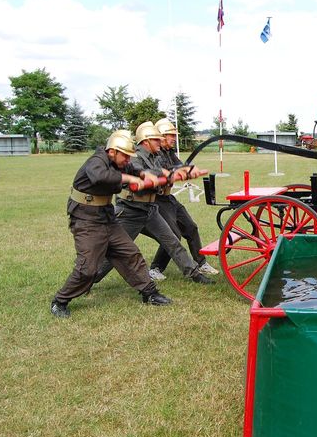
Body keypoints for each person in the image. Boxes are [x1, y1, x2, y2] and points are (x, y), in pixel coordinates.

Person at [51, 130, 172, 318]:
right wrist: (129, 179)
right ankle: (60, 301)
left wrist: (151, 174)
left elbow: (135, 170)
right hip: (86, 219)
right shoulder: (96, 161)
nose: (127, 160)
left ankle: (150, 293)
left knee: (130, 254)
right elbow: (100, 177)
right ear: (112, 151)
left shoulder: (120, 162)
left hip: (107, 217)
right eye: (124, 155)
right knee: (87, 268)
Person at [92, 122, 214, 286]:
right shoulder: (134, 156)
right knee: (116, 253)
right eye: (156, 139)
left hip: (150, 210)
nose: (160, 142)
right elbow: (143, 174)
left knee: (173, 242)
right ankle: (90, 279)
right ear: (146, 141)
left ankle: (194, 273)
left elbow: (169, 170)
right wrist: (166, 174)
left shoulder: (155, 157)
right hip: (130, 212)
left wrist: (184, 172)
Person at [148, 118, 218, 281]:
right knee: (173, 234)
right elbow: (165, 171)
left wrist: (191, 170)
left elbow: (180, 166)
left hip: (168, 197)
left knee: (191, 228)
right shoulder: (155, 154)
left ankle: (201, 263)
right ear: (162, 136)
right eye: (171, 135)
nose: (174, 138)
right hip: (157, 199)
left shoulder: (169, 152)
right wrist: (181, 171)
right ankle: (156, 268)